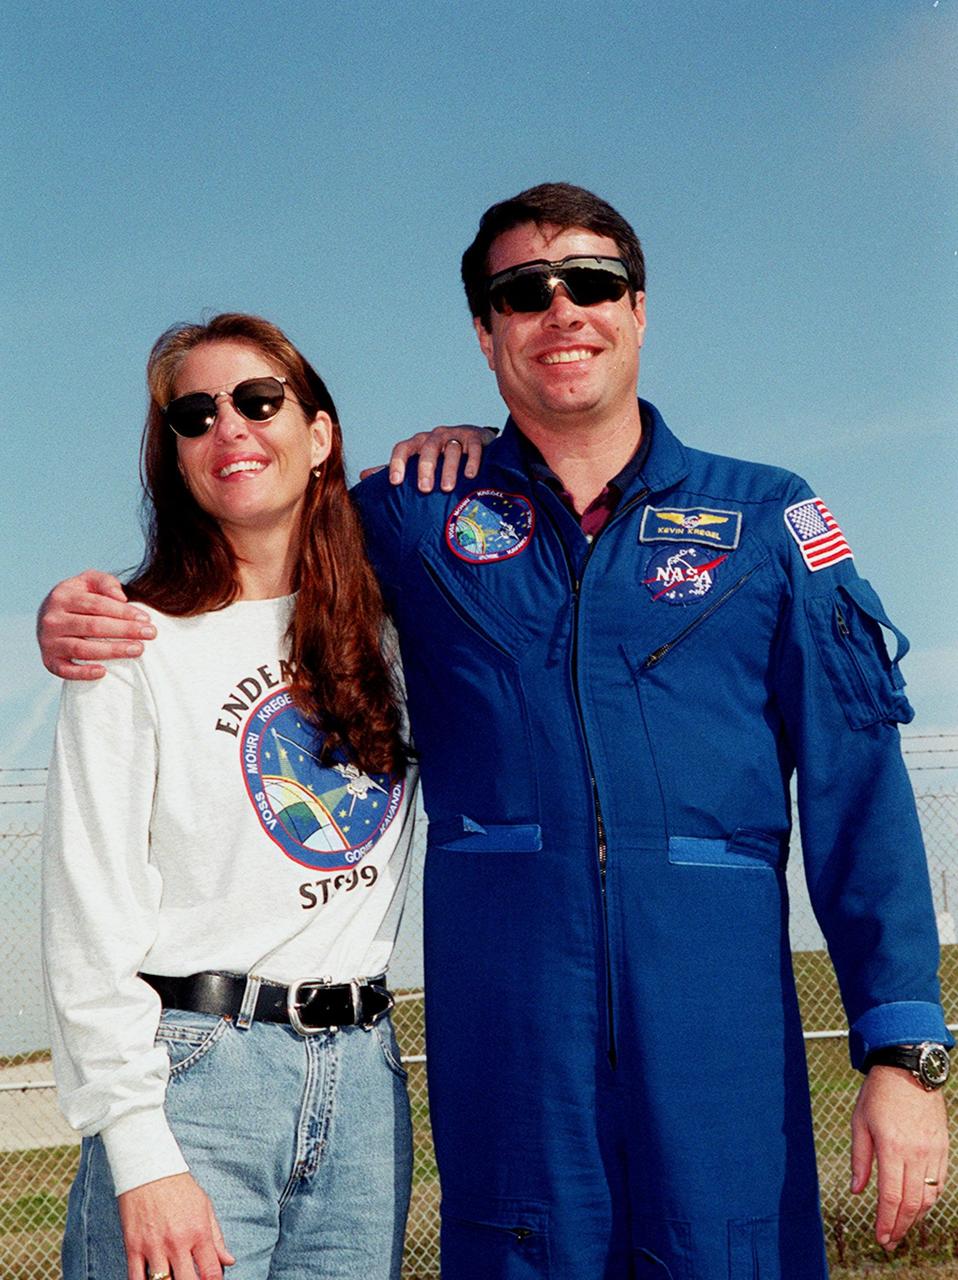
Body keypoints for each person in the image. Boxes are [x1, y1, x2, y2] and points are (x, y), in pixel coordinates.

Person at [39, 186, 950, 1279]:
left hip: (720, 1049)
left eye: (592, 282)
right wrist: (83, 611)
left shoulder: (765, 521)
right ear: (485, 332)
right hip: (513, 1061)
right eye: (523, 294)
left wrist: (903, 1046)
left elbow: (860, 791)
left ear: (639, 307)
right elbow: (260, 537)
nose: (561, 311)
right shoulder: (413, 516)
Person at [41, 313, 419, 1280]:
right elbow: (88, 919)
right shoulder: (128, 643)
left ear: (320, 434)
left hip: (365, 1088)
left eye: (258, 401)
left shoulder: (397, 630)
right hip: (196, 1085)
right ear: (174, 458)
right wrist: (140, 1151)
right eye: (194, 415)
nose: (229, 429)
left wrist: (469, 440)